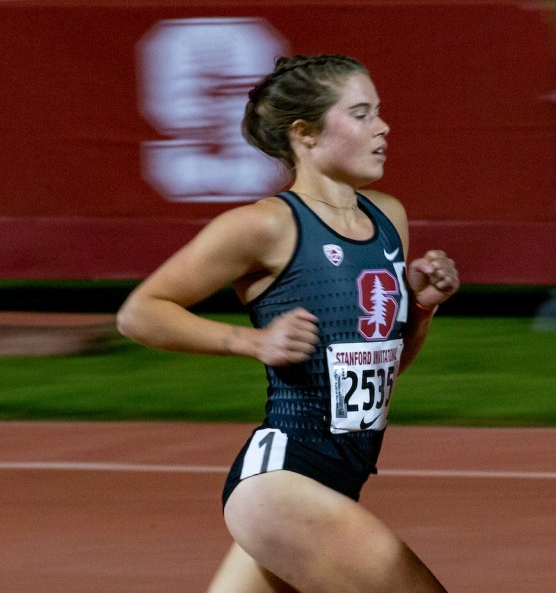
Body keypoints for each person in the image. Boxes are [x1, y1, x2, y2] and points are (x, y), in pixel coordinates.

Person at [117, 54, 460, 593]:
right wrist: (252, 341)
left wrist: (420, 308)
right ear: (305, 133)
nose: (383, 127)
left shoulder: (388, 219)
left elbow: (381, 372)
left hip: (336, 481)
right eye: (362, 114)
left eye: (379, 112)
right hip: (280, 486)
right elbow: (140, 312)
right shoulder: (266, 225)